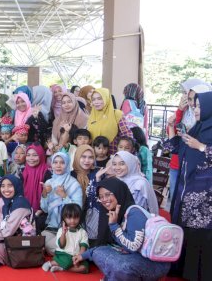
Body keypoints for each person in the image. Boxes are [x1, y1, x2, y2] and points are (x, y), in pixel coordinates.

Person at [74, 177, 170, 280]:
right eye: (101, 197)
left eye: (107, 195)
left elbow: (133, 246)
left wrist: (114, 225)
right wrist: (84, 255)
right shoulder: (115, 212)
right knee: (98, 252)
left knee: (121, 267)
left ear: (118, 192)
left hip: (154, 264)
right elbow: (110, 244)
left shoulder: (134, 213)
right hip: (136, 258)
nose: (104, 200)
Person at [164, 90, 212, 280]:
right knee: (187, 232)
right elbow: (176, 148)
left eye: (200, 106)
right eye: (196, 104)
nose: (195, 108)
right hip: (187, 189)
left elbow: (197, 147)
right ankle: (184, 270)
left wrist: (200, 147)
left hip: (205, 195)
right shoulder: (197, 128)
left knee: (202, 235)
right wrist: (170, 128)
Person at [40, 152, 83, 255]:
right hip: (52, 226)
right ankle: (69, 252)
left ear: (67, 165)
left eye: (62, 162)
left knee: (46, 245)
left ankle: (65, 253)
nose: (58, 165)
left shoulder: (74, 184)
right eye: (55, 162)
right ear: (52, 165)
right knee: (40, 241)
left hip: (69, 227)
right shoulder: (49, 182)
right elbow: (44, 209)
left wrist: (64, 196)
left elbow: (78, 208)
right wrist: (45, 194)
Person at [42, 203, 89, 273]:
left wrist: (79, 257)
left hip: (77, 255)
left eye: (75, 217)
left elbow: (83, 246)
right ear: (64, 218)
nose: (72, 221)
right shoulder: (61, 230)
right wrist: (63, 233)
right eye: (69, 218)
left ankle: (61, 268)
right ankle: (50, 263)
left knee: (84, 268)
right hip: (64, 254)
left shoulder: (83, 232)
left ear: (80, 217)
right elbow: (61, 245)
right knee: (67, 261)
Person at [72, 145, 105, 244]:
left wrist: (97, 180)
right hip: (75, 215)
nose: (87, 160)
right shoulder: (71, 175)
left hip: (93, 217)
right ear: (77, 157)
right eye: (83, 157)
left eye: (90, 157)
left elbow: (100, 197)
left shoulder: (98, 173)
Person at [87, 88, 132, 154]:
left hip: (113, 155)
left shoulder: (117, 114)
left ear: (106, 99)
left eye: (99, 99)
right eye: (93, 99)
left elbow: (127, 135)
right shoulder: (92, 116)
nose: (96, 102)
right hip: (95, 156)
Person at [22, 144, 51, 212]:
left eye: (35, 155)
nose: (31, 158)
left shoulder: (47, 173)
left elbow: (50, 196)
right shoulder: (22, 172)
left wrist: (40, 211)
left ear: (41, 156)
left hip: (43, 211)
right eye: (28, 155)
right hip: (24, 211)